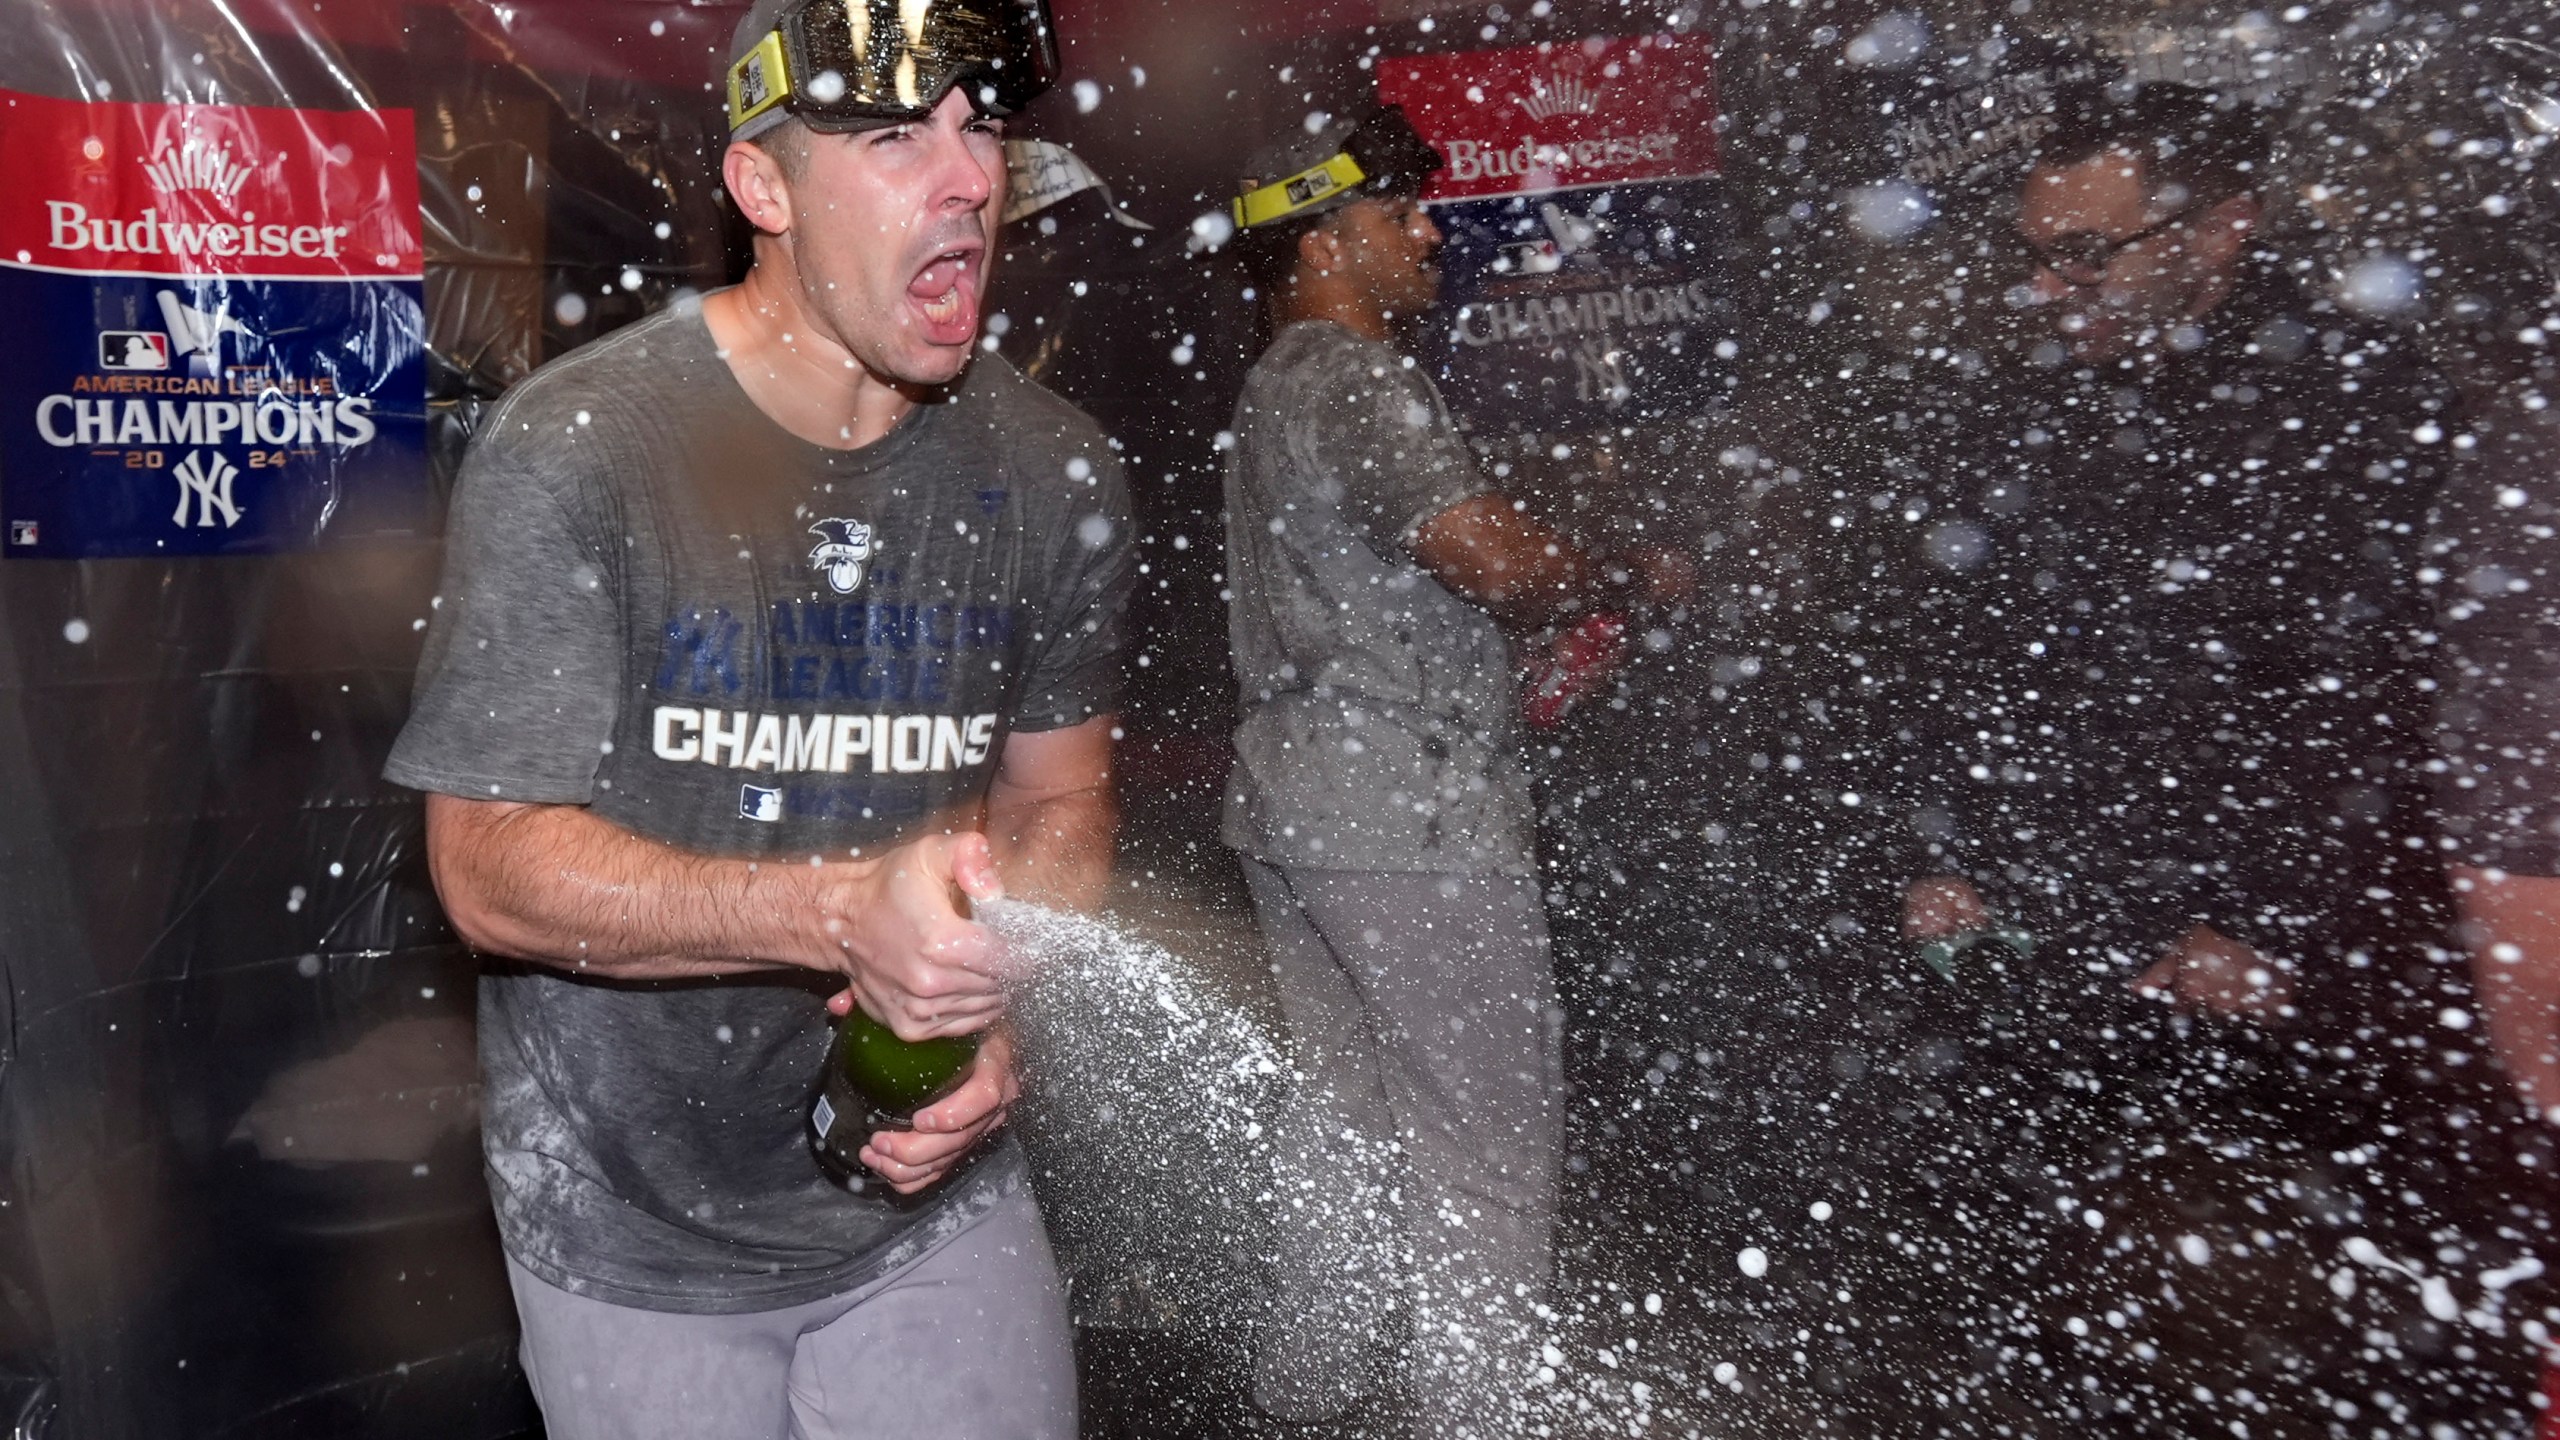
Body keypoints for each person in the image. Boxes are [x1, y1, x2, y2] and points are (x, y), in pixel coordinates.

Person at [381, 0, 1133, 1434]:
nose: (970, 177)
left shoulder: (1055, 471)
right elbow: (482, 868)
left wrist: (990, 1008)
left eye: (979, 128)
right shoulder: (580, 451)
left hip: (931, 1205)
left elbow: (1058, 802)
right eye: (899, 135)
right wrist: (846, 913)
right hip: (629, 1226)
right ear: (764, 188)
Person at [1216, 107, 1688, 1438]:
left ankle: (1297, 1403)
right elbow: (1487, 556)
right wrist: (1610, 571)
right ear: (1325, 235)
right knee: (1486, 1149)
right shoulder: (1360, 378)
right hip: (1407, 823)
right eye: (1404, 211)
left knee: (1346, 1130)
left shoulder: (1273, 386)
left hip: (1304, 806)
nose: (1432, 233)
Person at [1890, 83, 2454, 1040]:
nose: (2047, 288)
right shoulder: (2023, 414)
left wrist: (2272, 926)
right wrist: (1937, 846)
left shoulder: (2365, 405)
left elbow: (2378, 704)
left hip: (2273, 980)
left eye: (2085, 254)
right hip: (2051, 956)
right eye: (2034, 258)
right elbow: (1956, 650)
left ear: (2227, 226)